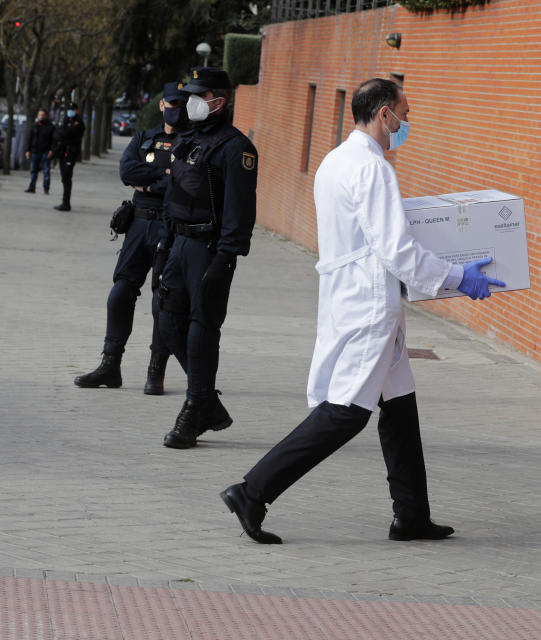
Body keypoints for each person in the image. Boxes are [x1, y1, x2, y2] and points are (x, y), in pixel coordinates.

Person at [219, 78, 506, 545]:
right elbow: (396, 249)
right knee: (348, 411)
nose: (405, 124)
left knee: (399, 407)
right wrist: (458, 278)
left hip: (351, 294)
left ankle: (411, 515)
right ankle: (253, 491)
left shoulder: (335, 161)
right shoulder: (373, 169)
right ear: (383, 114)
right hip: (369, 302)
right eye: (403, 115)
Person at [158, 67, 258, 449]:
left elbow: (239, 210)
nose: (191, 103)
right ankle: (207, 401)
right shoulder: (189, 139)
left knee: (201, 330)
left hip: (209, 249)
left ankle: (193, 411)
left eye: (199, 96)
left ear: (219, 101)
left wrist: (226, 258)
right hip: (179, 245)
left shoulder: (237, 148)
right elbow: (176, 195)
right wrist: (165, 242)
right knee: (167, 322)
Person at [74, 83, 189, 394]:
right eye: (171, 102)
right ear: (162, 105)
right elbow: (127, 172)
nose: (175, 107)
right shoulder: (143, 137)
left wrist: (151, 184)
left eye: (181, 102)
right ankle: (110, 366)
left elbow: (186, 182)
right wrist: (162, 180)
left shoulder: (193, 142)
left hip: (172, 227)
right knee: (120, 294)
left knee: (161, 302)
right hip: (138, 226)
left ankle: (156, 373)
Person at [51, 102, 85, 211]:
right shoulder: (66, 120)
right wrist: (62, 133)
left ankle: (66, 203)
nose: (70, 111)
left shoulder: (79, 123)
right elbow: (57, 133)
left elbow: (65, 134)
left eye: (72, 109)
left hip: (70, 153)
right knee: (64, 177)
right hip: (62, 152)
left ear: (76, 110)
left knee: (67, 177)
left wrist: (62, 133)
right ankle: (65, 202)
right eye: (69, 109)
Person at [24, 108, 55, 194]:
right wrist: (28, 150)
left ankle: (46, 188)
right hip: (35, 151)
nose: (40, 116)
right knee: (33, 170)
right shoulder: (34, 125)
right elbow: (30, 138)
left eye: (42, 115)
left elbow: (53, 140)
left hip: (45, 152)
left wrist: (51, 150)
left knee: (46, 171)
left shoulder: (50, 127)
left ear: (45, 116)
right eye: (39, 115)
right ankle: (32, 187)